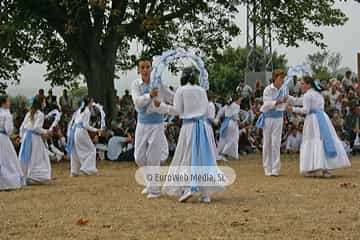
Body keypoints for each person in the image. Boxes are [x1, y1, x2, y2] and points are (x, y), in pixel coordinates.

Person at [163, 67, 225, 203]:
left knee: (188, 156)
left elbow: (177, 110)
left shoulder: (181, 90)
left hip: (189, 127)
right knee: (203, 157)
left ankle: (187, 187)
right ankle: (205, 193)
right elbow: (206, 109)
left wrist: (163, 107)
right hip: (204, 127)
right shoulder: (201, 90)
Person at [285, 76, 351, 177]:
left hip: (312, 120)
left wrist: (292, 109)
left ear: (308, 84)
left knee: (313, 141)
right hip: (323, 118)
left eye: (302, 83)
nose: (301, 86)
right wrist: (288, 97)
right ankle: (325, 169)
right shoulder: (318, 94)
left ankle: (313, 168)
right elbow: (299, 101)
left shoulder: (308, 95)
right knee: (323, 140)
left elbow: (305, 110)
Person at [131, 57, 174, 199]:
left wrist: (184, 97)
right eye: (142, 67)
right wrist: (149, 96)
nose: (145, 70)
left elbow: (170, 96)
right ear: (138, 69)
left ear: (151, 68)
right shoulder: (135, 85)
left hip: (156, 124)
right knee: (139, 157)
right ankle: (150, 183)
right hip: (142, 124)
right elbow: (137, 102)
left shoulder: (158, 83)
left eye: (147, 67)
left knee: (153, 156)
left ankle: (154, 189)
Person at [256, 69, 288, 176]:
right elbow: (267, 104)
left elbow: (287, 101)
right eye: (280, 78)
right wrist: (278, 101)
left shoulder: (284, 89)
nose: (282, 80)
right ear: (275, 78)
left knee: (276, 143)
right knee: (267, 143)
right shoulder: (268, 89)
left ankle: (275, 169)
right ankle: (267, 168)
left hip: (279, 118)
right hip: (268, 118)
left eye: (283, 78)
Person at [19, 95, 52, 184]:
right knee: (38, 157)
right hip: (34, 138)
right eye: (44, 102)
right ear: (41, 103)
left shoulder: (29, 113)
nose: (45, 104)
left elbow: (22, 127)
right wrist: (46, 131)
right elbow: (36, 128)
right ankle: (35, 176)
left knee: (28, 157)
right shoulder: (40, 114)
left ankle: (26, 175)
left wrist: (22, 137)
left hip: (27, 136)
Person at [66, 96, 102, 176]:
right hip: (81, 131)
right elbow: (85, 125)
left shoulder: (79, 110)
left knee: (75, 151)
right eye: (92, 102)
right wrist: (96, 130)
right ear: (89, 102)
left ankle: (74, 171)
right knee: (92, 149)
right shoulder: (87, 111)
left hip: (74, 131)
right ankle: (87, 168)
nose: (92, 103)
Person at [0, 95, 24, 190]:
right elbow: (9, 130)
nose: (9, 103)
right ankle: (9, 182)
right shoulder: (7, 114)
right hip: (3, 138)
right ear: (4, 103)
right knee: (8, 160)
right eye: (8, 101)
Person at [215, 95, 245, 161]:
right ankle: (224, 152)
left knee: (225, 139)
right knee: (233, 139)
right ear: (236, 100)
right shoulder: (236, 106)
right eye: (240, 100)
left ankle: (231, 154)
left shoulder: (226, 106)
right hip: (232, 123)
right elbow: (235, 115)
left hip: (226, 123)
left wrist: (217, 120)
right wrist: (240, 123)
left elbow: (220, 112)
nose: (240, 101)